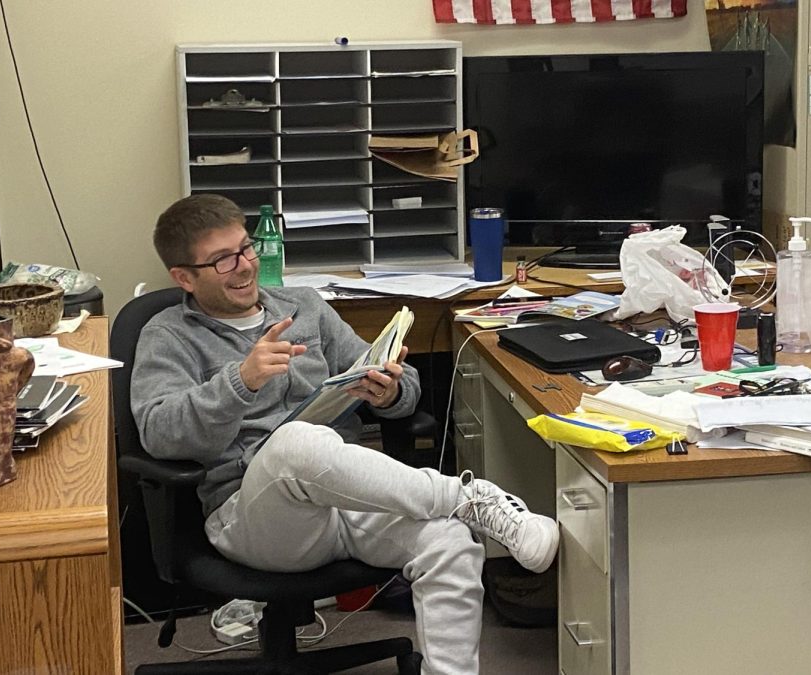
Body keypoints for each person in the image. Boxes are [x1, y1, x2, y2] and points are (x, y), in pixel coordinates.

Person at [131, 194, 559, 674]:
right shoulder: (166, 335)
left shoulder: (305, 306)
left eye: (247, 248)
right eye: (223, 260)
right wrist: (241, 382)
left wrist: (388, 391)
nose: (245, 266)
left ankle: (461, 535)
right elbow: (158, 434)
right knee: (296, 441)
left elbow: (405, 388)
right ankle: (469, 496)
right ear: (183, 277)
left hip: (346, 497)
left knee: (450, 541)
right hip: (251, 517)